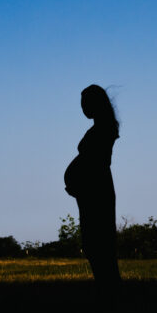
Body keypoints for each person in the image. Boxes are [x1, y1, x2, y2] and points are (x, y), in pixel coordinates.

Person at [63, 84, 120, 286]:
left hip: (96, 190)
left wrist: (80, 183)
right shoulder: (101, 127)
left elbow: (96, 162)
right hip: (91, 190)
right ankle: (107, 288)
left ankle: (109, 290)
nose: (82, 107)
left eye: (85, 102)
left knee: (99, 243)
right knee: (94, 243)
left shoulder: (103, 129)